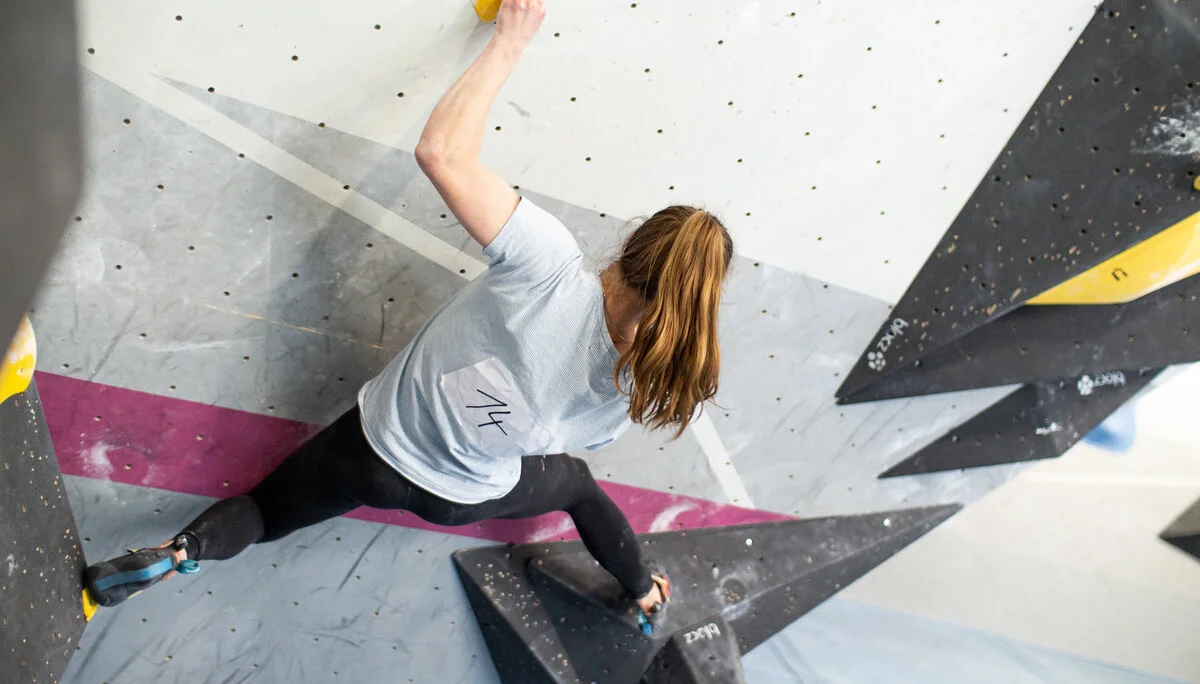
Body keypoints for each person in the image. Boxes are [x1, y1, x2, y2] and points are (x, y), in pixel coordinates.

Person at [84, 0, 732, 632]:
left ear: (631, 246)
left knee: (261, 509)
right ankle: (645, 593)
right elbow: (550, 430)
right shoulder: (639, 387)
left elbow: (443, 154)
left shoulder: (550, 264)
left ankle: (182, 552)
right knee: (579, 486)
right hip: (459, 494)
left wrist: (509, 40)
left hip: (372, 448)